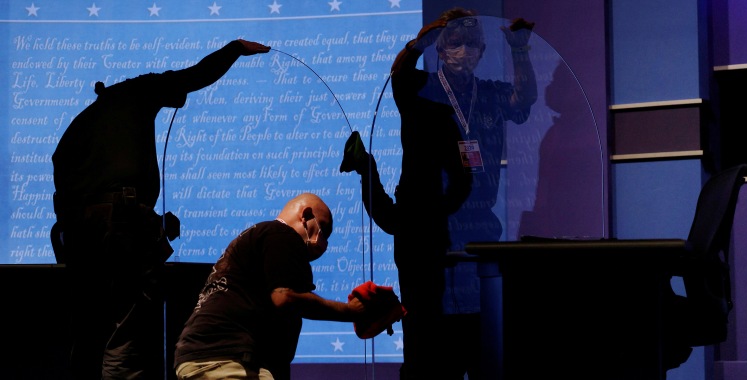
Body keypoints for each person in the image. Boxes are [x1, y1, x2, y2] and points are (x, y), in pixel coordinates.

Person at [51, 39, 271, 379]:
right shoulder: (138, 90)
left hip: (81, 236)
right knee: (125, 337)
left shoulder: (76, 129)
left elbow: (64, 193)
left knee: (87, 335)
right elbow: (192, 76)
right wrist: (235, 49)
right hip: (122, 228)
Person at [341, 8, 537, 379]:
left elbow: (523, 99)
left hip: (478, 226)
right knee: (428, 341)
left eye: (472, 45)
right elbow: (398, 77)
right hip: (426, 228)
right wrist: (420, 41)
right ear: (442, 51)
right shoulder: (423, 88)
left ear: (481, 51)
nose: (465, 51)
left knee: (480, 334)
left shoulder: (490, 93)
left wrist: (520, 50)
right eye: (455, 44)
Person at [173, 192, 374, 380]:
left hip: (200, 354)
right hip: (228, 357)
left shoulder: (257, 238)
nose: (323, 244)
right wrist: (350, 311)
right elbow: (284, 297)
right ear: (305, 216)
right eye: (323, 230)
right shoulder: (282, 234)